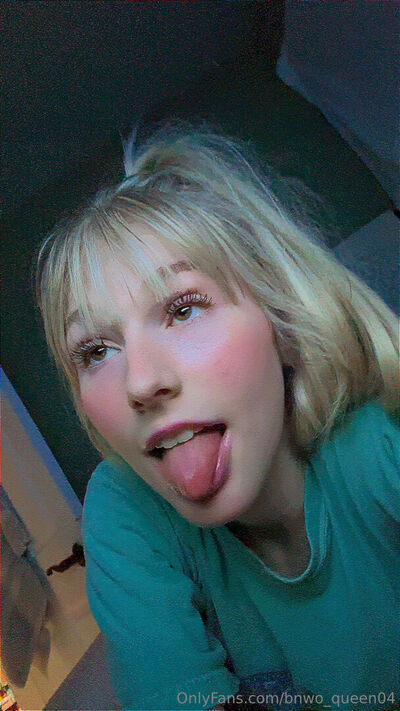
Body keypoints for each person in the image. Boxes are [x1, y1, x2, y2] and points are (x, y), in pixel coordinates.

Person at [35, 122, 399, 711]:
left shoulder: (381, 444)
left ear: (281, 322)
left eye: (183, 309)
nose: (140, 383)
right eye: (96, 351)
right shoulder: (124, 507)